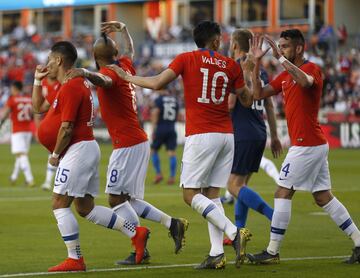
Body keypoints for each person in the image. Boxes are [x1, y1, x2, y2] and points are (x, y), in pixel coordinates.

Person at [108, 20, 253, 269]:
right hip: (227, 136)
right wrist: (249, 71)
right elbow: (248, 100)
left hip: (201, 135)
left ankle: (233, 231)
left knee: (190, 195)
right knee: (212, 194)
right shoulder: (231, 65)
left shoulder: (186, 59)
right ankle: (217, 254)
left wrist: (127, 76)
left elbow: (156, 83)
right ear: (216, 41)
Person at [63, 21, 188, 265]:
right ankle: (171, 225)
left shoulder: (110, 73)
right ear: (116, 54)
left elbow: (104, 81)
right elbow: (129, 51)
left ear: (94, 57)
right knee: (125, 198)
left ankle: (139, 244)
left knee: (114, 199)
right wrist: (124, 29)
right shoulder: (124, 65)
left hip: (127, 143)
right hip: (136, 139)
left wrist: (85, 72)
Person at [33, 41, 150, 272]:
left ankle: (75, 259)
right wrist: (38, 80)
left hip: (77, 150)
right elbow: (38, 107)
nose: (47, 63)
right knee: (85, 207)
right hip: (84, 149)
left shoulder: (72, 86)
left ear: (58, 60)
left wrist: (55, 155)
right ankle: (135, 232)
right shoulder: (66, 85)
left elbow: (67, 127)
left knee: (59, 204)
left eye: (50, 58)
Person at [246, 29, 360, 264]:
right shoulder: (284, 76)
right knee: (322, 197)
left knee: (282, 192)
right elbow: (257, 93)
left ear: (299, 48)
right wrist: (256, 64)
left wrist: (280, 58)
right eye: (280, 46)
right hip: (311, 144)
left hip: (306, 144)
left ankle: (272, 252)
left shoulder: (311, 69)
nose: (281, 49)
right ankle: (359, 242)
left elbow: (305, 82)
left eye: (285, 46)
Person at [223, 29, 283, 243]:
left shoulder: (234, 67)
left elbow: (230, 104)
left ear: (234, 44)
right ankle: (238, 232)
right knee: (242, 185)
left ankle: (273, 216)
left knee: (233, 186)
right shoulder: (261, 70)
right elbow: (268, 102)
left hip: (242, 131)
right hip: (259, 131)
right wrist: (275, 136)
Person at [0, 81, 34, 187]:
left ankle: (30, 179)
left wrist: (1, 123)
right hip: (28, 130)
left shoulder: (12, 99)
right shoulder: (29, 98)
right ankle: (14, 176)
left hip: (18, 130)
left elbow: (5, 113)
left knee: (21, 154)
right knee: (21, 155)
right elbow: (32, 113)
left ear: (15, 88)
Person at [33, 76, 61, 191]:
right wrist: (38, 127)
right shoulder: (43, 83)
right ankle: (51, 181)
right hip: (47, 121)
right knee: (55, 153)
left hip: (57, 120)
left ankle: (49, 182)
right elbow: (37, 107)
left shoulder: (60, 83)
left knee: (56, 153)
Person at [150, 89, 179, 185]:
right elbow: (177, 115)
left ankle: (158, 173)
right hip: (171, 128)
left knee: (153, 150)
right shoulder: (175, 100)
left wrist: (153, 129)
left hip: (161, 128)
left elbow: (156, 112)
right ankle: (172, 177)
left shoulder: (159, 99)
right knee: (171, 153)